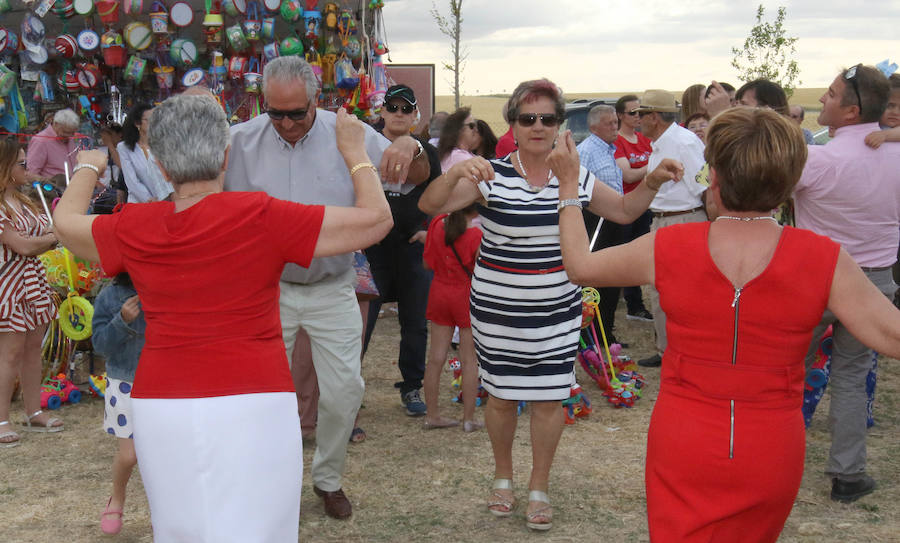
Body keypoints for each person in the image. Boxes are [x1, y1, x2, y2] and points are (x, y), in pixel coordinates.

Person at [52, 94, 393, 541]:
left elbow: (65, 224)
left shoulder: (134, 225)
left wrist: (88, 166)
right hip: (255, 397)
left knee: (180, 529)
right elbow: (376, 219)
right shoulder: (261, 215)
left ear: (161, 166)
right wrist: (354, 152)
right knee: (262, 528)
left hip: (164, 402)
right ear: (225, 157)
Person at [558, 106, 900, 543]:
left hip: (685, 434)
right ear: (788, 181)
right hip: (771, 443)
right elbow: (892, 334)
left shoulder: (668, 245)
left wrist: (568, 188)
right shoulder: (824, 258)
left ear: (714, 176)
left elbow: (580, 267)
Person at [418, 78, 680, 532]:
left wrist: (653, 181)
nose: (538, 126)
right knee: (501, 397)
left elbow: (623, 211)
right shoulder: (492, 174)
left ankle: (539, 485)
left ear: (560, 124)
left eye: (547, 118)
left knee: (549, 398)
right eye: (527, 118)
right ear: (513, 125)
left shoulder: (573, 175)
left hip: (557, 308)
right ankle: (503, 477)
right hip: (498, 310)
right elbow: (430, 205)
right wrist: (456, 174)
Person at [224, 57, 428, 519]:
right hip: (267, 291)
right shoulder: (239, 141)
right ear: (263, 103)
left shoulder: (348, 133)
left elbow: (412, 176)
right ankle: (265, 481)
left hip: (333, 284)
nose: (286, 123)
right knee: (260, 396)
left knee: (344, 391)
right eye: (276, 113)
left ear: (317, 100)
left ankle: (328, 479)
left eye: (297, 113)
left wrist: (411, 145)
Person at [792, 64, 900, 502]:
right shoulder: (895, 155)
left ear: (851, 111)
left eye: (832, 94)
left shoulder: (817, 159)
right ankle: (848, 474)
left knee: (786, 373)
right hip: (873, 282)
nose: (822, 98)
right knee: (852, 377)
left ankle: (768, 459)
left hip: (815, 278)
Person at [362, 84, 442, 418]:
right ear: (382, 111)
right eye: (392, 107)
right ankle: (349, 388)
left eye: (406, 109)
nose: (398, 114)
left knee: (415, 323)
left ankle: (411, 387)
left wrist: (429, 229)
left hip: (411, 249)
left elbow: (440, 195)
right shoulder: (366, 145)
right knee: (361, 322)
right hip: (372, 250)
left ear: (415, 115)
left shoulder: (426, 152)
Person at [633, 90, 708, 368]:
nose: (637, 119)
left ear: (654, 116)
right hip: (665, 221)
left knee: (683, 291)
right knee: (660, 288)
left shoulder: (683, 142)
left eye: (641, 114)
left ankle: (685, 353)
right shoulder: (664, 143)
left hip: (683, 221)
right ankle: (667, 351)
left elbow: (705, 187)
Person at [0, 139, 62, 449]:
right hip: (9, 284)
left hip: (33, 281)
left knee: (33, 348)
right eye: (21, 163)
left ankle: (33, 411)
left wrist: (47, 238)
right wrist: (50, 239)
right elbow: (23, 246)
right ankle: (1, 420)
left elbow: (36, 240)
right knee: (10, 352)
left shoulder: (24, 201)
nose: (28, 168)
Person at [91, 272, 145, 535]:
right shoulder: (109, 296)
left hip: (164, 383)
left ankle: (165, 510)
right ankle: (117, 499)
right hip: (125, 383)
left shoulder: (167, 288)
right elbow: (100, 345)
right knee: (129, 455)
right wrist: (122, 320)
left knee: (161, 457)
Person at [422, 204, 482, 431]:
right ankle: (468, 418)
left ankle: (432, 415)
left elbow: (427, 263)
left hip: (439, 291)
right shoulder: (476, 235)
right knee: (469, 360)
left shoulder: (437, 224)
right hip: (465, 294)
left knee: (435, 358)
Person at [576, 105, 627, 346]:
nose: (615, 127)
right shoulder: (585, 151)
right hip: (595, 221)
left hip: (614, 219)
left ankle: (606, 333)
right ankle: (589, 336)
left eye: (616, 122)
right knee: (594, 280)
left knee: (613, 277)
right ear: (594, 126)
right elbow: (577, 191)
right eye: (610, 123)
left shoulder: (610, 150)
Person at [613, 95, 654, 323]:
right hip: (627, 204)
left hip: (646, 206)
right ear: (620, 115)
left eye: (641, 112)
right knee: (629, 255)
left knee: (643, 255)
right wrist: (653, 166)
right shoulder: (618, 142)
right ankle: (633, 304)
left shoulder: (643, 139)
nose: (638, 116)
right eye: (632, 113)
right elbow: (627, 175)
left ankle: (637, 304)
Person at [116, 104, 173, 203]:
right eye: (149, 120)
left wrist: (164, 198)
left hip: (166, 202)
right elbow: (132, 181)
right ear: (137, 123)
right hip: (140, 203)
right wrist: (149, 199)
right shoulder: (124, 148)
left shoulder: (164, 145)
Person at [26, 108, 80, 183]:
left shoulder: (70, 137)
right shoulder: (40, 141)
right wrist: (51, 182)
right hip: (54, 188)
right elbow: (30, 174)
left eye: (72, 133)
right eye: (65, 132)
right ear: (56, 124)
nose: (69, 136)